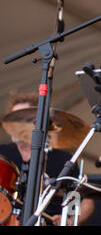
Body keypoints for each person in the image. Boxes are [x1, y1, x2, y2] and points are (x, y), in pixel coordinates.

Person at [0, 91, 95, 226]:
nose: (16, 124)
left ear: (36, 122)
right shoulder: (3, 154)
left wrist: (69, 221)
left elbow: (85, 200)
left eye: (21, 119)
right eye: (13, 119)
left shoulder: (64, 160)